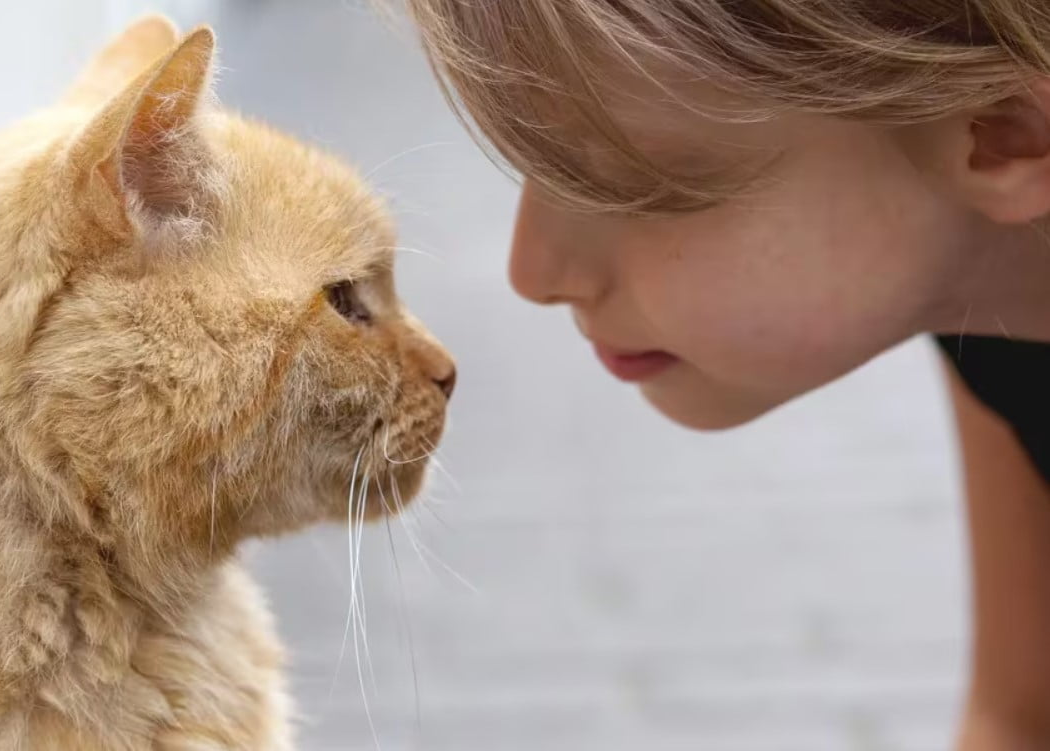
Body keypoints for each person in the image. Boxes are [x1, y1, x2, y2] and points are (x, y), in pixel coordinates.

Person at [404, 2, 1050, 748]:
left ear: (1007, 128)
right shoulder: (994, 311)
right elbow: (1019, 713)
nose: (535, 270)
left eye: (628, 186)